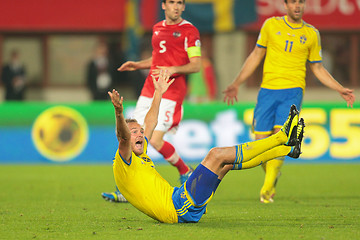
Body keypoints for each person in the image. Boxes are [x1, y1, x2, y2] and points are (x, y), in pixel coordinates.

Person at [109, 70, 305, 223]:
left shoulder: (139, 155)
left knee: (225, 163)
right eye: (134, 131)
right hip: (178, 207)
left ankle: (287, 149)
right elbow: (124, 137)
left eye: (139, 131)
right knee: (216, 154)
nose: (139, 134)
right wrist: (119, 112)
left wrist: (158, 93)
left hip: (181, 200)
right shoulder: (123, 159)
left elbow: (150, 123)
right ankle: (281, 137)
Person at [223, 0, 355, 204]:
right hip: (267, 90)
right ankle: (273, 174)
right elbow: (256, 55)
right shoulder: (270, 25)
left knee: (280, 137)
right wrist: (236, 83)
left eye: (301, 2)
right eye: (293, 1)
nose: (297, 5)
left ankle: (267, 189)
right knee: (261, 144)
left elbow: (317, 68)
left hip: (293, 91)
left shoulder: (312, 33)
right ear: (285, 5)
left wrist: (339, 89)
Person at [101, 0, 202, 202]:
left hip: (171, 92)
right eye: (171, 2)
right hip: (149, 88)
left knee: (153, 140)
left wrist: (173, 69)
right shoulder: (157, 29)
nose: (176, 6)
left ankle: (185, 171)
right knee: (131, 134)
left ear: (183, 7)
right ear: (163, 5)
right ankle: (123, 190)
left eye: (180, 2)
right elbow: (158, 59)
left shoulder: (189, 31)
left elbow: (196, 65)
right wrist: (138, 65)